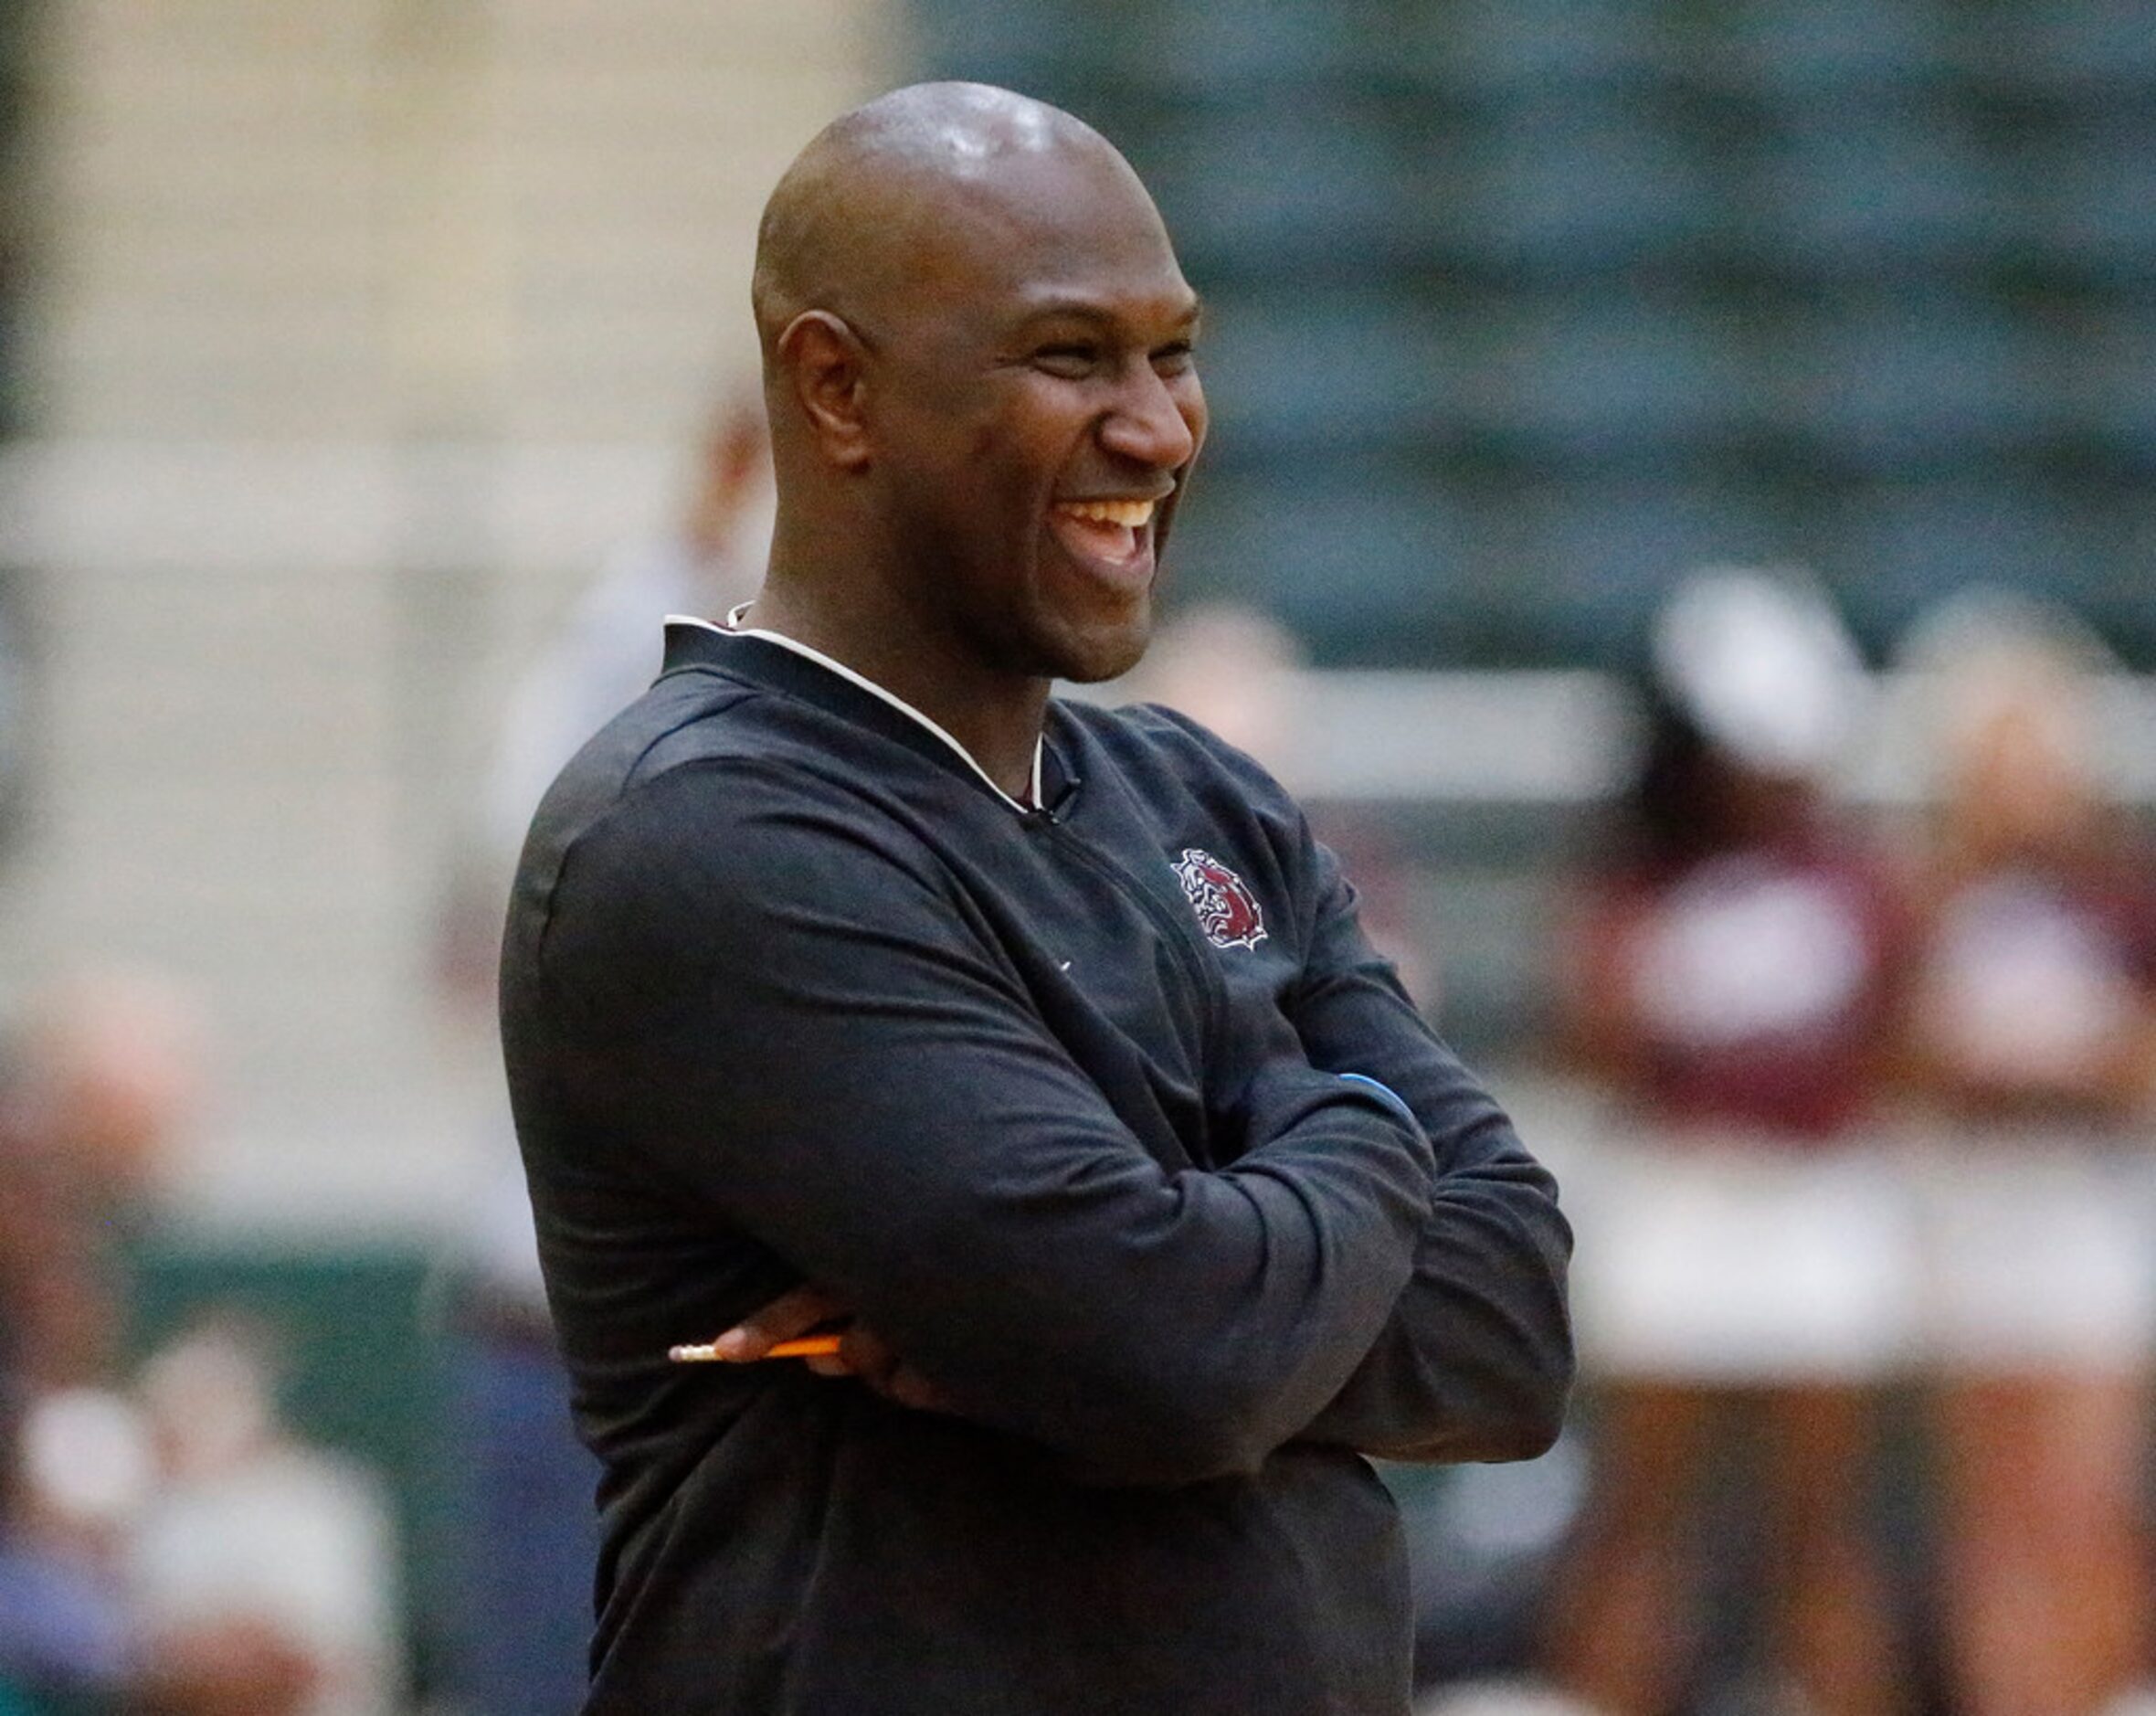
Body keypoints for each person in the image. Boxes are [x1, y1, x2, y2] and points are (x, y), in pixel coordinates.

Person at [500, 80, 1572, 1716]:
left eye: (1175, 351)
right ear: (838, 387)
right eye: (1073, 357)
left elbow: (1511, 1319)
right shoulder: (705, 834)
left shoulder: (1209, 800)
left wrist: (1195, 1265)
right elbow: (1169, 1356)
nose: (1155, 427)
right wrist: (1353, 1129)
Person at [1539, 570, 1914, 1716]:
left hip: (1812, 1196)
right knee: (1640, 1516)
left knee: (1822, 1531)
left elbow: (1896, 1036)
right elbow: (1594, 1037)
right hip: (1676, 1193)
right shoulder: (1633, 879)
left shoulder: (1853, 874)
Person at [1889, 593, 2156, 1716]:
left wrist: (2079, 1065)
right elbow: (1883, 1049)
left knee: (2085, 1503)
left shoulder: (2116, 894)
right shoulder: (1920, 892)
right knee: (1988, 1514)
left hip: (2087, 1207)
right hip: (1967, 1206)